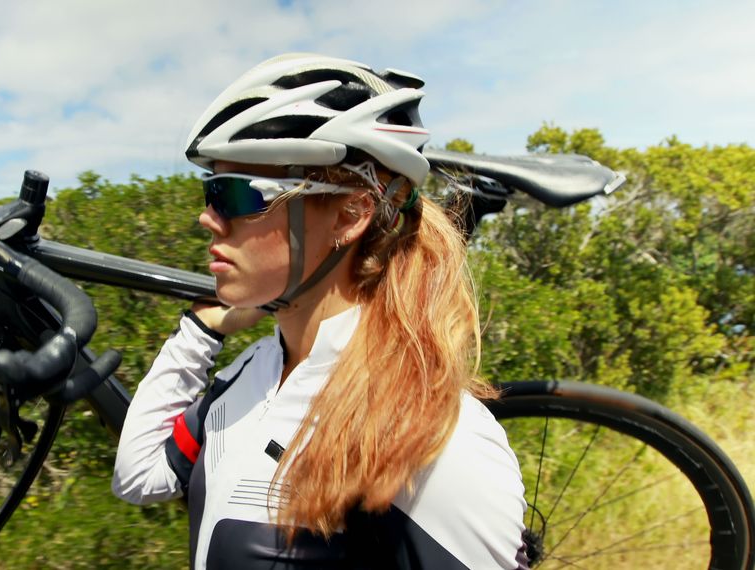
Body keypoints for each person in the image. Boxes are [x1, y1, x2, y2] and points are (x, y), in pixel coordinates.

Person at [113, 53, 528, 569]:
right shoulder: (254, 373)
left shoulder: (433, 435)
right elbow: (140, 475)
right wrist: (199, 330)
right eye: (208, 191)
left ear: (350, 213)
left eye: (234, 194)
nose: (207, 218)